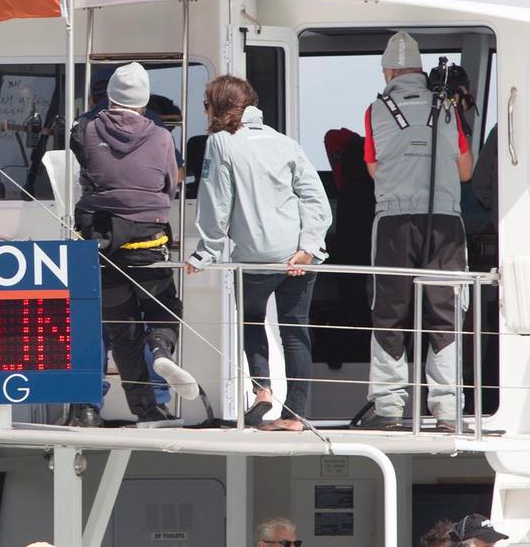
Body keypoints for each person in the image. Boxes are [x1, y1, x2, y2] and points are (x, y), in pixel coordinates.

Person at [186, 75, 332, 431]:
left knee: (252, 319)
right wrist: (309, 248)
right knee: (295, 331)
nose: (204, 111)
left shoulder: (220, 142)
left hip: (257, 257)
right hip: (298, 256)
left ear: (218, 107)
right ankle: (295, 416)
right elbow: (316, 199)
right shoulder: (286, 143)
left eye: (206, 104)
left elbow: (215, 203)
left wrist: (204, 253)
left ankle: (262, 391)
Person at [355, 31, 473, 431]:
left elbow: (373, 169)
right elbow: (465, 170)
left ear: (388, 71)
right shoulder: (447, 106)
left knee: (389, 313)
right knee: (445, 313)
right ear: (420, 69)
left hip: (393, 223)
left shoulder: (376, 109)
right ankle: (446, 409)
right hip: (444, 222)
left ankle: (388, 408)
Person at [71, 62, 199, 427]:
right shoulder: (160, 136)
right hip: (148, 239)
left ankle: (142, 408)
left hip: (102, 241)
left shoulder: (84, 129)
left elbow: (86, 163)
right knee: (163, 306)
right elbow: (169, 184)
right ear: (143, 101)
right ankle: (160, 347)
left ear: (108, 95)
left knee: (120, 329)